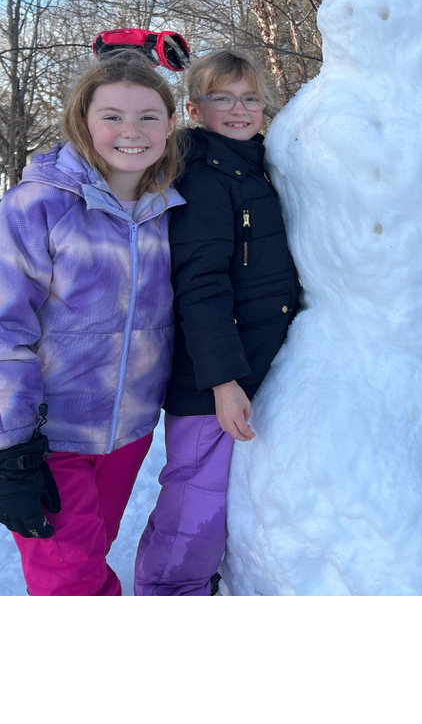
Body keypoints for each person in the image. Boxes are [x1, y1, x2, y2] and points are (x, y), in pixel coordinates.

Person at [0, 52, 182, 596]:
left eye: (149, 116)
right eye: (112, 117)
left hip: (128, 435)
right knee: (70, 584)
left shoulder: (172, 211)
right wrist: (11, 445)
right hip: (48, 438)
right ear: (84, 122)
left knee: (88, 554)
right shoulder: (37, 206)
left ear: (171, 125)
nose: (132, 131)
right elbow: (5, 326)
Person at [134, 49, 299, 596]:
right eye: (222, 98)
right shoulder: (205, 176)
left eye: (250, 98)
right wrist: (223, 383)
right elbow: (201, 285)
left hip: (248, 360)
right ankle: (169, 592)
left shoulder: (255, 166)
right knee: (195, 496)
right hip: (212, 374)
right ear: (194, 108)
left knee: (214, 492)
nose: (238, 109)